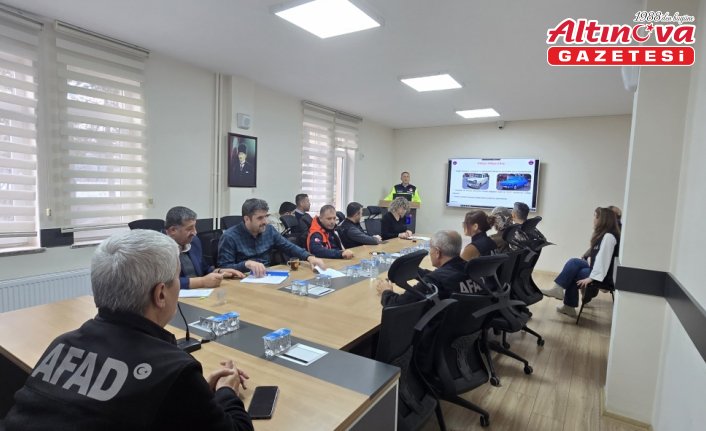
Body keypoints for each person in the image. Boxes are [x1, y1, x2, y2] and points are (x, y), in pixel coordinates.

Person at [1, 230, 254, 431]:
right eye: (177, 279)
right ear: (161, 294)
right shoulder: (174, 370)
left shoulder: (62, 345)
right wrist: (226, 392)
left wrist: (197, 396)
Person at [541, 207, 620, 318]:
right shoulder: (605, 235)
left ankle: (568, 306)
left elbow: (604, 260)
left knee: (575, 273)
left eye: (595, 216)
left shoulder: (609, 237)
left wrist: (591, 278)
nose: (593, 219)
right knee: (574, 262)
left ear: (602, 219)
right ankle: (558, 289)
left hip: (604, 276)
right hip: (597, 269)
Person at [217, 198, 325, 277]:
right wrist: (246, 264)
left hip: (267, 277)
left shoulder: (269, 230)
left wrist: (309, 257)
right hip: (242, 281)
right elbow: (224, 268)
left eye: (266, 216)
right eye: (260, 218)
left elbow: (289, 246)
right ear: (246, 219)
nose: (265, 221)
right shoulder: (229, 237)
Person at [376, 230, 483, 307]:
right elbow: (444, 275)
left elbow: (395, 304)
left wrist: (386, 291)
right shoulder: (472, 269)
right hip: (467, 325)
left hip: (438, 329)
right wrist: (416, 271)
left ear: (437, 252)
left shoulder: (434, 280)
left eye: (430, 249)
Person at [164, 206, 244, 289]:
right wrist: (201, 282)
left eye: (194, 227)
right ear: (173, 230)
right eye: (189, 229)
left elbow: (205, 269)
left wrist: (220, 272)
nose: (195, 232)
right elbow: (165, 283)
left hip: (200, 292)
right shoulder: (159, 249)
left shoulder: (194, 241)